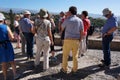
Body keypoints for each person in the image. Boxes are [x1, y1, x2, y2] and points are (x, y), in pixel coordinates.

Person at [61, 6, 83, 74]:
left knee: (65, 55)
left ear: (70, 12)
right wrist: (80, 39)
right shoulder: (80, 20)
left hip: (68, 40)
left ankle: (64, 69)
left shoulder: (67, 19)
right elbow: (81, 31)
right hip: (76, 40)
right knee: (75, 56)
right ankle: (75, 69)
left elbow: (62, 28)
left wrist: (65, 16)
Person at [0, 13, 20, 80]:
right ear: (3, 19)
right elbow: (12, 38)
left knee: (3, 63)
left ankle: (5, 77)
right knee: (12, 61)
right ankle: (15, 75)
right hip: (7, 45)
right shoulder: (6, 27)